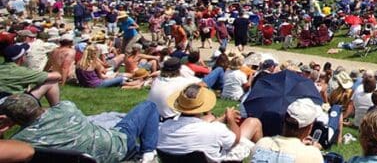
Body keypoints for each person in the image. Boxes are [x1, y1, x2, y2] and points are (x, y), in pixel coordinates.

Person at [0, 93, 159, 163]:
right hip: (118, 146)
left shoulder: (21, 142)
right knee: (149, 106)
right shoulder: (66, 107)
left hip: (90, 159)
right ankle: (148, 153)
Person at [158, 83, 263, 161]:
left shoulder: (162, 128)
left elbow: (200, 126)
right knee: (253, 122)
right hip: (220, 159)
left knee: (209, 118)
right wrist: (231, 120)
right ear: (203, 106)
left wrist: (221, 119)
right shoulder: (215, 130)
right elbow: (235, 140)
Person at [251, 97, 324, 163]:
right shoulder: (311, 154)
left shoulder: (262, 143)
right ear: (309, 127)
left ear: (284, 120)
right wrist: (312, 150)